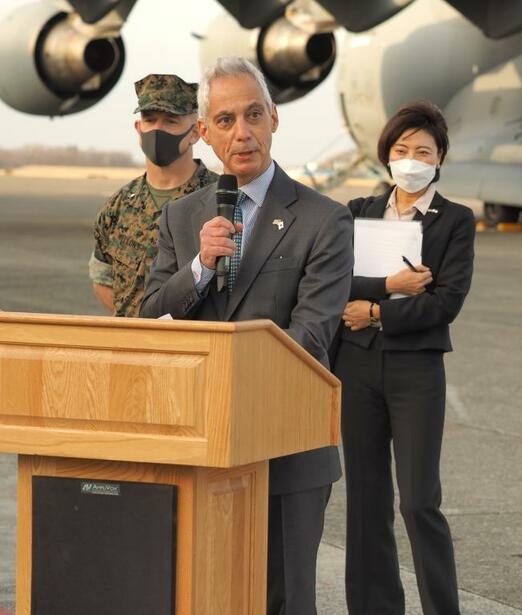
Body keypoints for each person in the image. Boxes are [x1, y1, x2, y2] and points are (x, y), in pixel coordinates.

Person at [140, 57, 353, 614]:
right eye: (227, 120)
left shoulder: (323, 220)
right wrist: (199, 269)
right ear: (204, 133)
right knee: (204, 595)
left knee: (282, 601)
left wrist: (232, 386)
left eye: (254, 115)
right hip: (200, 449)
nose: (243, 132)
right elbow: (147, 320)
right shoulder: (182, 220)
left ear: (275, 119)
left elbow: (310, 336)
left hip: (287, 449)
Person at [332, 100, 475, 615]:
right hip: (357, 366)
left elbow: (445, 303)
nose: (410, 159)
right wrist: (390, 288)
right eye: (400, 149)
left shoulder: (455, 220)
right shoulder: (357, 213)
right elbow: (334, 283)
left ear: (439, 159)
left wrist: (372, 311)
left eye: (422, 150)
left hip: (417, 368)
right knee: (366, 503)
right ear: (385, 156)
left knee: (418, 501)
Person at [89, 73, 217, 316]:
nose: (157, 130)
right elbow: (102, 277)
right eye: (149, 120)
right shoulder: (119, 206)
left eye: (170, 121)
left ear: (195, 132)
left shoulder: (220, 199)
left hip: (196, 347)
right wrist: (142, 322)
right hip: (133, 347)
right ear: (139, 128)